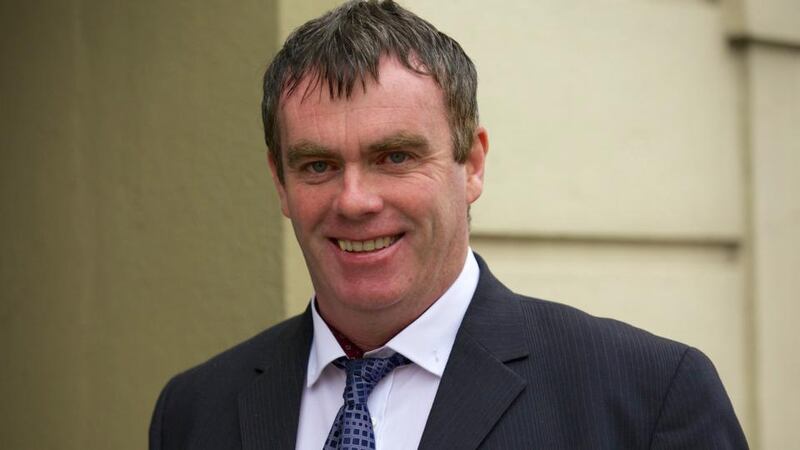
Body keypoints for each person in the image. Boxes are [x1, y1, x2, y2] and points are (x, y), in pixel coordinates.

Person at [149, 1, 749, 449]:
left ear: (473, 164)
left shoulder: (645, 399)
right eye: (318, 165)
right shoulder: (195, 412)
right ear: (280, 182)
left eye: (396, 157)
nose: (354, 200)